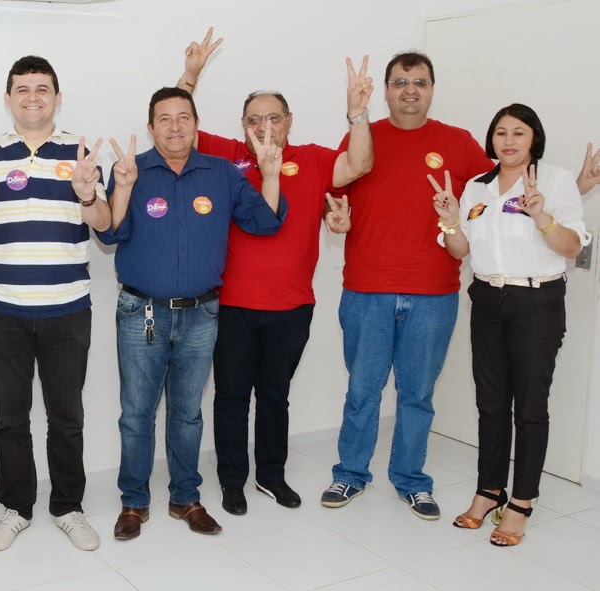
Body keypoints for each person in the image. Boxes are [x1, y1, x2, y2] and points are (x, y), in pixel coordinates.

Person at [175, 30, 372, 515]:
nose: (264, 126)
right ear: (243, 126)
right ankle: (232, 481)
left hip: (292, 306)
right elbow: (176, 129)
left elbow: (359, 163)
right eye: (254, 119)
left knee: (275, 398)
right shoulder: (226, 158)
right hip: (232, 306)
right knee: (231, 397)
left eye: (274, 118)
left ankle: (271, 476)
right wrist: (190, 76)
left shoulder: (314, 159)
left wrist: (357, 112)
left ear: (289, 122)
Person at [98, 87, 286, 540]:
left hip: (201, 315)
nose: (175, 126)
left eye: (183, 117)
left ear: (197, 124)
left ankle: (185, 498)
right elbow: (110, 234)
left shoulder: (222, 173)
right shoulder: (131, 170)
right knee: (136, 414)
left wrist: (270, 174)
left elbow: (265, 221)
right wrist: (123, 186)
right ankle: (134, 502)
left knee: (187, 414)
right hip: (142, 312)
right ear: (151, 127)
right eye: (164, 118)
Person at [319, 51, 498, 520]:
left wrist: (574, 185)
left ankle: (411, 480)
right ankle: (350, 474)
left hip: (433, 293)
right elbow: (334, 198)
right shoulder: (362, 138)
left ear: (432, 88)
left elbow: (500, 192)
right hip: (367, 290)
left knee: (417, 396)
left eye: (419, 82)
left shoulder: (458, 142)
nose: (410, 90)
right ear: (386, 91)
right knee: (362, 391)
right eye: (400, 82)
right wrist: (335, 218)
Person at [0, 55, 111, 553]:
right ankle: (16, 508)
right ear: (8, 99)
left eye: (42, 88)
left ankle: (68, 507)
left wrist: (87, 195)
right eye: (22, 89)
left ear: (57, 97)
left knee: (67, 416)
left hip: (67, 308)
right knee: (11, 417)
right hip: (1, 308)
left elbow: (105, 224)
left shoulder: (81, 152)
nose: (32, 97)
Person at [433, 104, 589, 546]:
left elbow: (572, 247)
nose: (509, 141)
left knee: (531, 406)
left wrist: (542, 217)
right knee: (491, 403)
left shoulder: (555, 180)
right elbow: (459, 250)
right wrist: (450, 219)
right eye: (501, 132)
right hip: (486, 298)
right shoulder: (476, 187)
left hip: (536, 302)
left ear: (534, 138)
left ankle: (521, 502)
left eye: (519, 132)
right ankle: (489, 490)